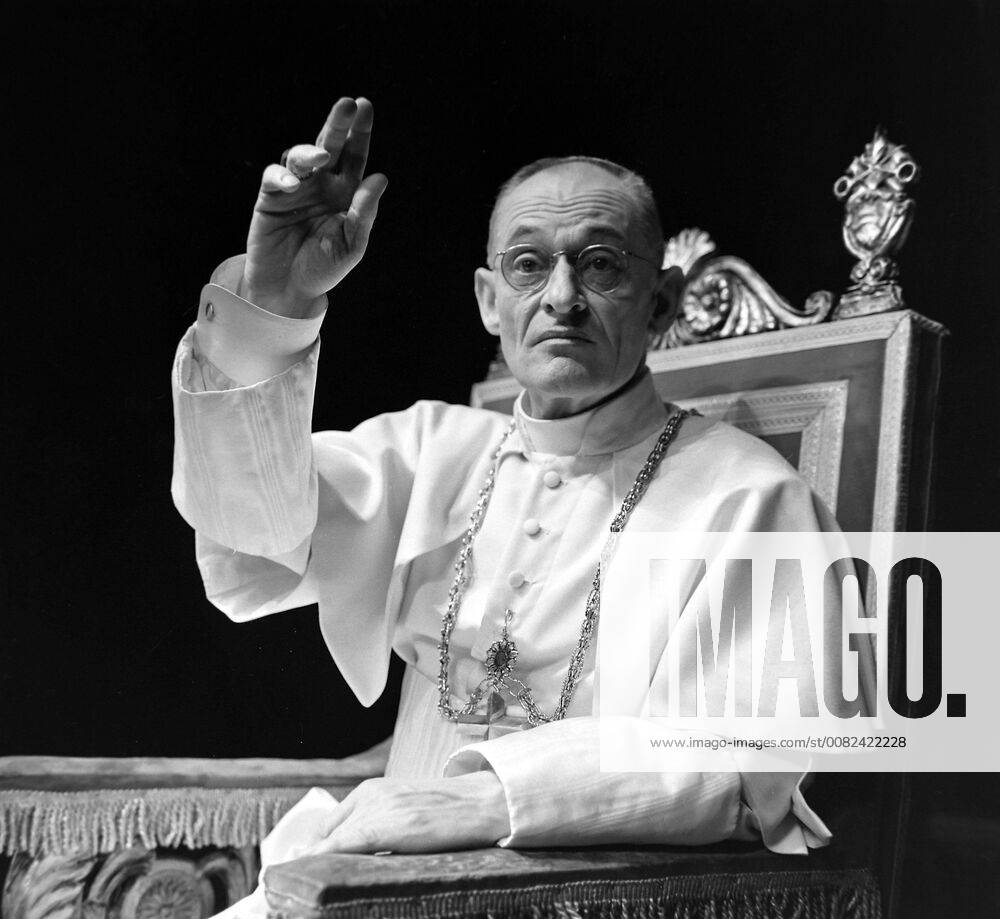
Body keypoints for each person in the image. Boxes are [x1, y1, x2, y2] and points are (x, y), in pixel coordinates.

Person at [171, 97, 835, 909]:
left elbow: (740, 764)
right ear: (490, 301)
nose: (560, 296)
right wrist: (275, 305)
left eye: (600, 264)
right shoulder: (426, 450)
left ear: (659, 303)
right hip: (371, 879)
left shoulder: (752, 494)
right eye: (528, 265)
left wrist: (480, 800)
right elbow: (249, 545)